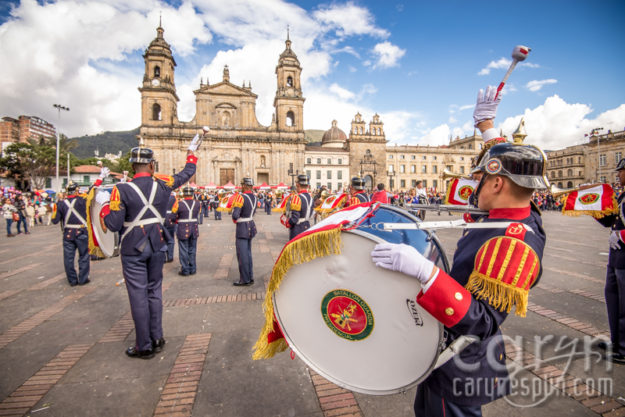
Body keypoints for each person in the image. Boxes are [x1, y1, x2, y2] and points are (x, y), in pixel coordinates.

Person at [371, 84, 548, 416]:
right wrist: (487, 128)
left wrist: (427, 273)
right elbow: (514, 174)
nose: (472, 185)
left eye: (478, 178)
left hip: (458, 362)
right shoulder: (520, 211)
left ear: (497, 185)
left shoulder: (512, 245)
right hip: (454, 357)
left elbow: (481, 321)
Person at [99, 133, 201, 359]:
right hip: (157, 244)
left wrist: (104, 208)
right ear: (152, 165)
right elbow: (186, 174)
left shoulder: (121, 190)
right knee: (154, 292)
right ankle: (157, 336)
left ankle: (144, 346)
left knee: (138, 295)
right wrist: (191, 156)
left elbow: (114, 225)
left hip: (132, 248)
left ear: (133, 167)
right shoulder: (163, 184)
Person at [51, 168, 107, 286]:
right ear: (77, 190)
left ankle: (72, 280)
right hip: (81, 231)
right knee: (84, 256)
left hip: (67, 234)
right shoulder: (83, 200)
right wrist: (100, 178)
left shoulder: (60, 204)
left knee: (68, 259)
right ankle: (83, 278)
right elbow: (92, 189)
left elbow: (55, 220)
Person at [596, 158, 625, 363]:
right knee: (613, 298)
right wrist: (592, 206)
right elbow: (611, 219)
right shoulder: (623, 195)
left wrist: (622, 235)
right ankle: (617, 340)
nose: (618, 174)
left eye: (621, 171)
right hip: (617, 256)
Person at [232, 177, 257, 286]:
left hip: (242, 227)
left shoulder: (240, 197)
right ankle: (250, 276)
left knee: (242, 255)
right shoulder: (254, 197)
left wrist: (234, 217)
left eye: (242, 185)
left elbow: (235, 215)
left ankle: (245, 279)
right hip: (250, 225)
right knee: (248, 253)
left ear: (244, 186)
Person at [176, 186, 200, 276]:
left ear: (184, 194)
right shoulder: (197, 203)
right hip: (194, 228)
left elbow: (174, 216)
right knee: (192, 249)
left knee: (183, 250)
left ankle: (185, 270)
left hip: (182, 228)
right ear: (192, 194)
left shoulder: (179, 203)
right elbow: (198, 213)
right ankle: (193, 268)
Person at [286, 174, 313, 240]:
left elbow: (295, 218)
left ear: (298, 185)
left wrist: (288, 222)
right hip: (307, 226)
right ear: (307, 186)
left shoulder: (297, 198)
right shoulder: (311, 198)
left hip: (298, 229)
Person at [164, 192, 178, 263]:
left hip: (162, 218)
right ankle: (170, 257)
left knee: (162, 239)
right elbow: (176, 209)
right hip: (171, 220)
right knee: (171, 239)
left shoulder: (160, 196)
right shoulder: (174, 198)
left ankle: (163, 258)